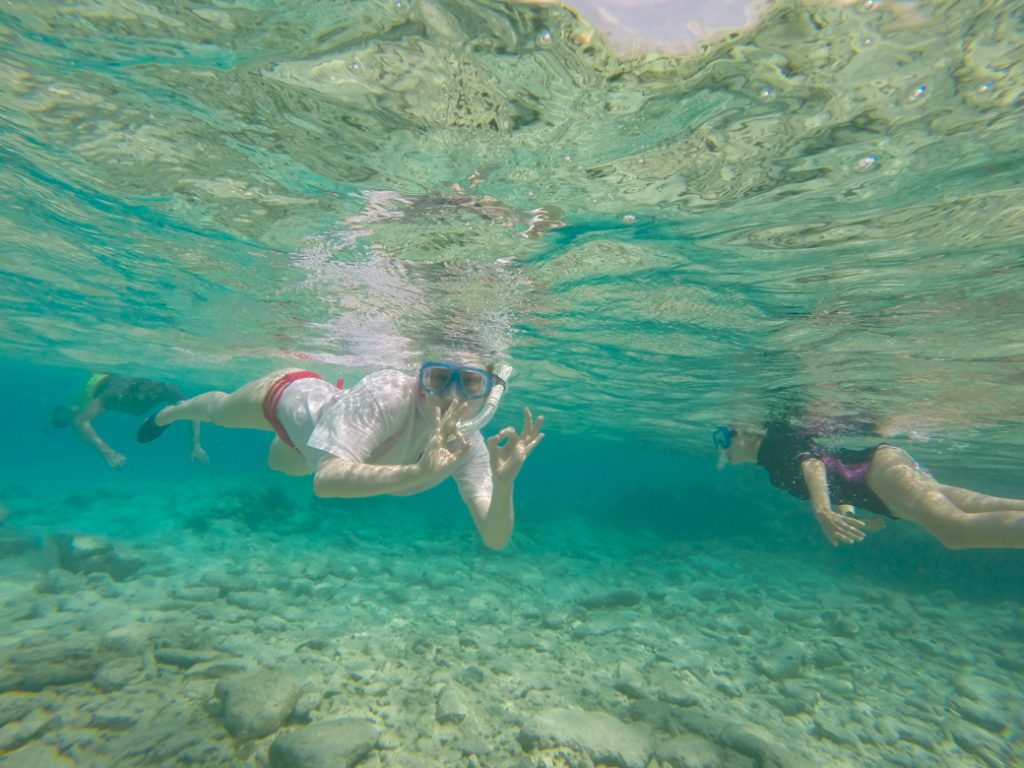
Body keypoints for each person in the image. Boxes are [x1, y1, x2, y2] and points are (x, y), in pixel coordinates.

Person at [137, 361, 544, 550]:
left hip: (302, 447)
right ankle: (171, 413)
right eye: (439, 378)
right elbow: (327, 482)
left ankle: (321, 431)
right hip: (286, 398)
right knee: (220, 412)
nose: (451, 396)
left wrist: (504, 485)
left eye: (471, 383)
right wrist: (417, 471)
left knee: (280, 463)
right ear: (421, 377)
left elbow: (495, 539)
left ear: (489, 391)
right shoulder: (390, 392)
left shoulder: (470, 449)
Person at [713, 422, 1024, 550]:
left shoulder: (775, 443)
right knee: (978, 507)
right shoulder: (772, 460)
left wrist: (823, 512)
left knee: (956, 531)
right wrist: (845, 512)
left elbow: (814, 464)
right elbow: (830, 470)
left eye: (727, 435)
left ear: (751, 433)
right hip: (880, 477)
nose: (722, 444)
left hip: (876, 474)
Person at [53, 374, 207, 469]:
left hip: (119, 395)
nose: (146, 395)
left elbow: (192, 411)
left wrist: (196, 445)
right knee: (76, 412)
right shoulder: (115, 394)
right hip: (95, 386)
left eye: (152, 391)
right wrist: (108, 452)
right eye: (141, 391)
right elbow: (80, 422)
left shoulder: (168, 389)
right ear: (134, 387)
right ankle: (61, 415)